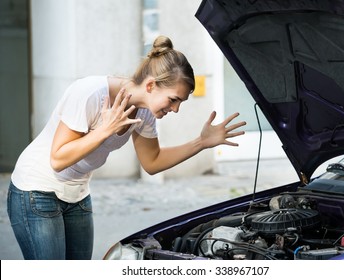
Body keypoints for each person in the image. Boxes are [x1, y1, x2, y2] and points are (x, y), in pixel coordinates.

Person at [7, 35, 246, 260]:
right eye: (173, 100)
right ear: (151, 85)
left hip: (77, 194)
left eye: (180, 103)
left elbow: (152, 163)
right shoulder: (90, 93)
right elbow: (58, 159)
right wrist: (105, 129)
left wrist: (201, 143)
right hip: (36, 191)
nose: (175, 109)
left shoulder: (146, 113)